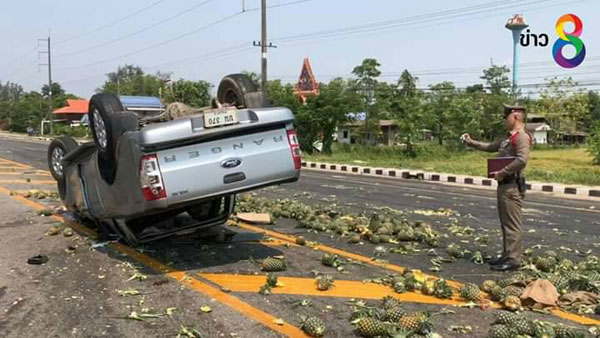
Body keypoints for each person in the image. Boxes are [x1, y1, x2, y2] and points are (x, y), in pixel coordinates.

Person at [463, 104, 532, 271]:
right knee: (505, 223)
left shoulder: (522, 137)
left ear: (515, 116)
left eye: (506, 117)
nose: (504, 120)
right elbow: (489, 146)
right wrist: (471, 142)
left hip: (512, 185)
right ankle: (506, 255)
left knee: (512, 224)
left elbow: (522, 159)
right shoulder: (508, 138)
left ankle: (513, 260)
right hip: (504, 186)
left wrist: (502, 172)